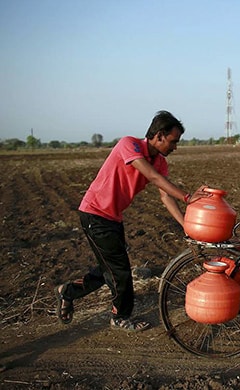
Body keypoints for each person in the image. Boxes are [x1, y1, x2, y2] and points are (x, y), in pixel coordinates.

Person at [55, 110, 210, 332]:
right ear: (158, 136)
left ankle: (68, 292)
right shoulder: (129, 145)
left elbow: (165, 196)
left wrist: (185, 224)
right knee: (120, 271)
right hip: (94, 213)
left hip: (112, 217)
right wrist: (187, 197)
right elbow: (153, 177)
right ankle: (120, 317)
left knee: (109, 267)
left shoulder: (159, 162)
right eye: (173, 142)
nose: (175, 147)